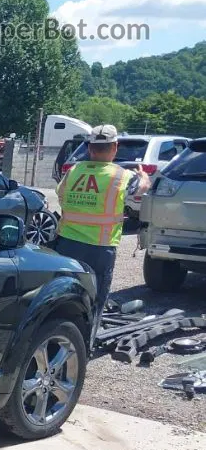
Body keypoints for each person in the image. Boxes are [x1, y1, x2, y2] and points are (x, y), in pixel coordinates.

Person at [54, 124, 149, 346]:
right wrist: (143, 176)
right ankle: (84, 345)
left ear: (89, 148)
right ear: (114, 147)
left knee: (64, 295)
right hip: (99, 248)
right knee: (95, 299)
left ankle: (58, 337)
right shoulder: (121, 176)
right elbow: (141, 188)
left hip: (66, 244)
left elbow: (59, 195)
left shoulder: (73, 171)